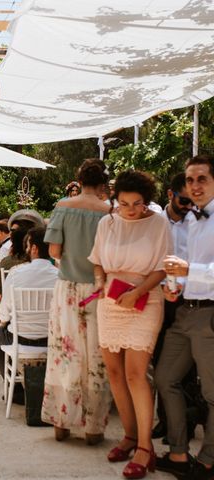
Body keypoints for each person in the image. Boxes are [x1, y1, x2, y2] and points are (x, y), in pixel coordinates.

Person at [89, 170, 172, 479]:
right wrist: (99, 281)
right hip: (110, 299)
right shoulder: (106, 222)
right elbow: (97, 260)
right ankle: (129, 435)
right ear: (115, 199)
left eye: (137, 204)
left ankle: (145, 448)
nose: (130, 210)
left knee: (136, 374)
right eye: (124, 203)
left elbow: (163, 267)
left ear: (146, 201)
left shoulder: (159, 223)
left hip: (145, 298)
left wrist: (138, 291)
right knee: (114, 372)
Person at [41, 159, 113, 445]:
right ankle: (94, 427)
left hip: (67, 288)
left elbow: (54, 250)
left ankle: (62, 421)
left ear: (79, 179)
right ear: (102, 184)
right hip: (99, 289)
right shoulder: (110, 213)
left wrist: (69, 259)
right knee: (96, 355)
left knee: (64, 352)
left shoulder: (63, 207)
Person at [156, 154, 214, 480]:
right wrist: (173, 285)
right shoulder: (193, 219)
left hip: (210, 316)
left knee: (213, 394)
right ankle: (178, 454)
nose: (194, 186)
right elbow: (184, 266)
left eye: (202, 179)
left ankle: (207, 461)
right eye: (190, 180)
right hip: (185, 311)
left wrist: (189, 270)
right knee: (165, 378)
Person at [151, 172, 195, 441]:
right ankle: (164, 421)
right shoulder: (155, 222)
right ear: (170, 195)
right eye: (184, 200)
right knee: (159, 360)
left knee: (186, 367)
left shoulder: (196, 222)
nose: (189, 206)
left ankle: (185, 425)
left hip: (188, 298)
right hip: (159, 298)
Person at [0, 227, 58, 364]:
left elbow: (4, 313)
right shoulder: (59, 276)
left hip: (19, 338)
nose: (26, 250)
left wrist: (3, 323)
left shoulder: (16, 273)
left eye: (27, 246)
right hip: (51, 339)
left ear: (34, 248)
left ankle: (13, 384)